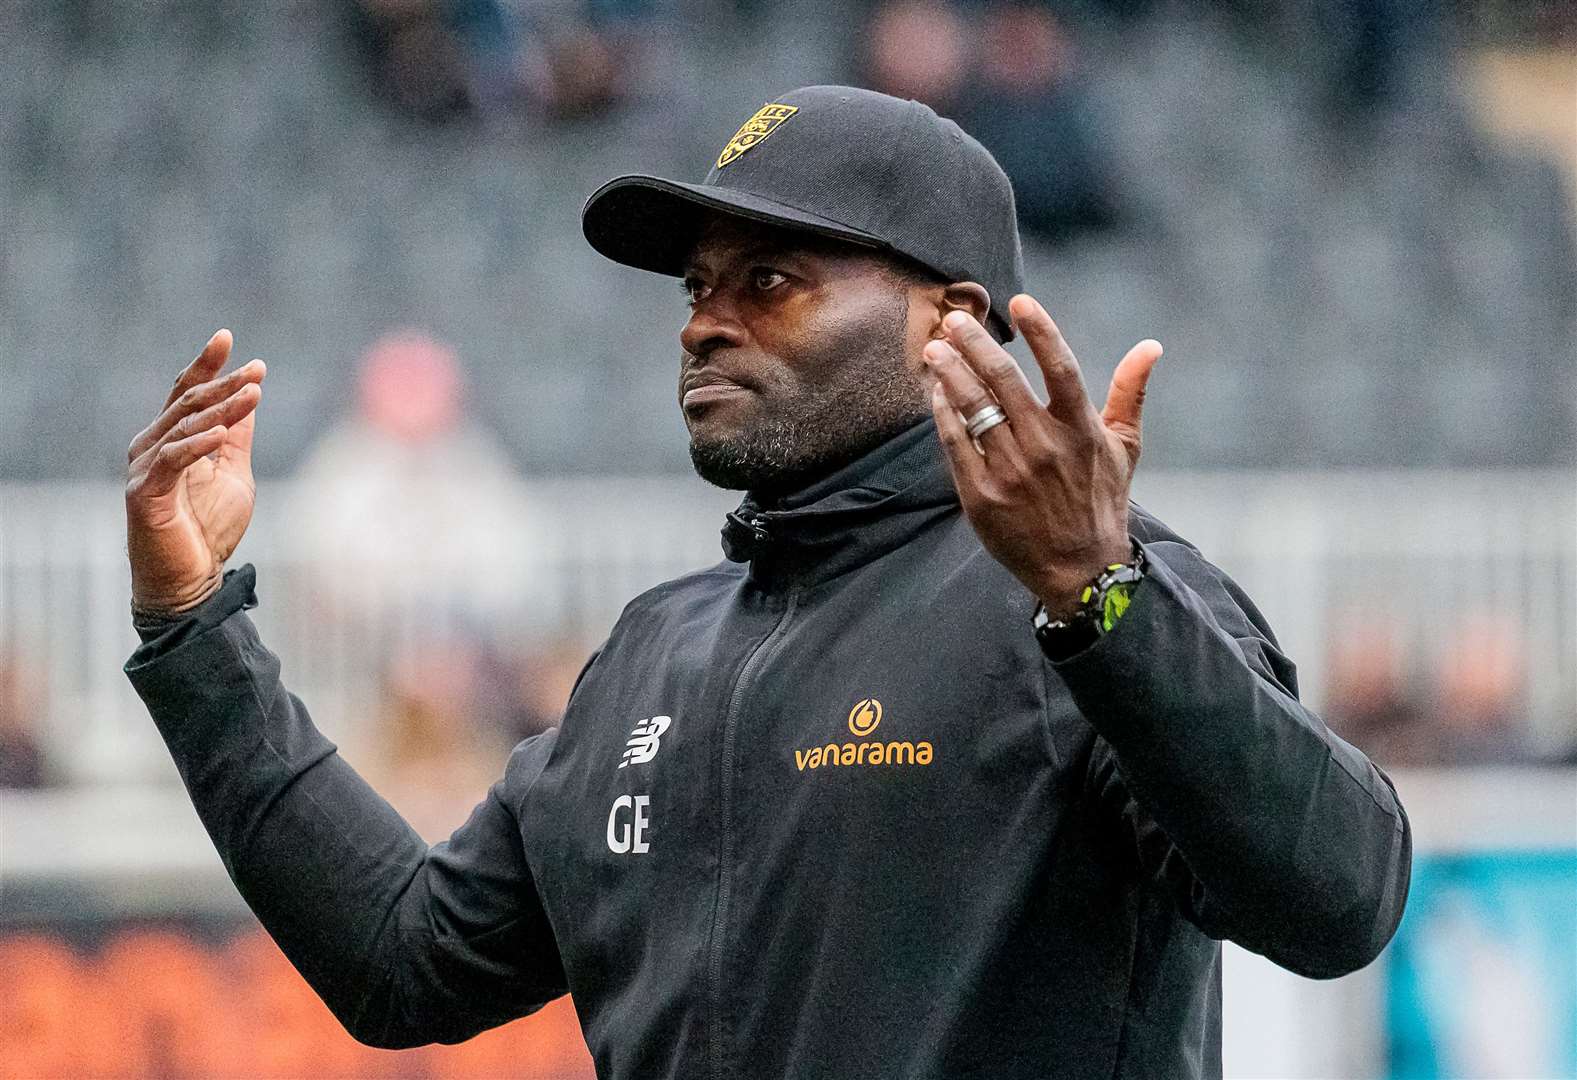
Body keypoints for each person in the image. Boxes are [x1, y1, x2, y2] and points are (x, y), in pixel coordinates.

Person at [122, 86, 1411, 1079]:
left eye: (770, 282)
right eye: (697, 287)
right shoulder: (654, 651)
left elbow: (1340, 898)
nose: (702, 320)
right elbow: (404, 961)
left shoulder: (1098, 605)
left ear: (949, 321)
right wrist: (194, 634)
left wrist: (1101, 593)